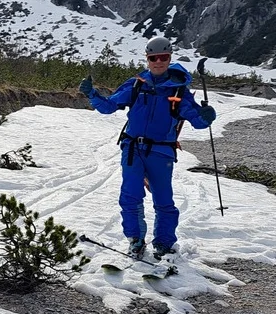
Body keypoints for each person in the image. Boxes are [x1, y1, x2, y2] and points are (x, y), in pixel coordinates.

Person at [78, 37, 217, 260]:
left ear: (170, 58)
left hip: (161, 152)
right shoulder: (137, 84)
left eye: (163, 57)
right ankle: (135, 240)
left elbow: (198, 122)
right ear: (148, 59)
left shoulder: (179, 91)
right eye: (154, 58)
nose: (158, 62)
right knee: (130, 195)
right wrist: (92, 95)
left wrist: (207, 117)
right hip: (132, 148)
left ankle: (164, 243)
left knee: (163, 199)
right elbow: (109, 107)